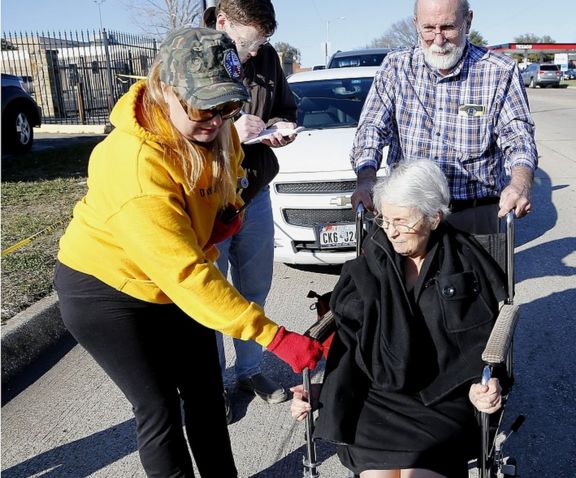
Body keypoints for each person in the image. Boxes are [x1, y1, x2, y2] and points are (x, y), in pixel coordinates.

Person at [53, 27, 323, 478]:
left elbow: (231, 173)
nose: (216, 119)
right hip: (106, 289)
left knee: (204, 389)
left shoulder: (218, 129)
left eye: (228, 106)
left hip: (172, 275)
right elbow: (184, 274)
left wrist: (229, 210)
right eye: (204, 106)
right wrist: (275, 338)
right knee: (159, 406)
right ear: (165, 90)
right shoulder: (135, 164)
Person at [292, 160, 508, 478]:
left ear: (434, 218)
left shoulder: (466, 266)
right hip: (376, 400)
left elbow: (483, 338)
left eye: (401, 222)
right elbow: (350, 340)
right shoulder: (371, 263)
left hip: (442, 399)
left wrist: (484, 383)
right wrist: (323, 390)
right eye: (385, 219)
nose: (391, 231)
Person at [350, 0, 538, 235]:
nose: (438, 39)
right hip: (409, 213)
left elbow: (518, 137)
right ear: (416, 24)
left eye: (448, 27)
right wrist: (366, 178)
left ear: (467, 21)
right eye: (429, 29)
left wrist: (520, 184)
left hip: (474, 213)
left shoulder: (500, 71)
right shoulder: (396, 67)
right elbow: (371, 128)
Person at [203, 0, 299, 415]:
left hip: (254, 193)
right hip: (209, 200)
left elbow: (285, 106)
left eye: (264, 41)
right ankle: (209, 385)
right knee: (209, 296)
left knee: (254, 289)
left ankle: (250, 369)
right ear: (223, 22)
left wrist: (280, 127)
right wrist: (229, 130)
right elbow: (172, 131)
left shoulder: (267, 57)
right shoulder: (193, 54)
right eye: (250, 41)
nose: (257, 50)